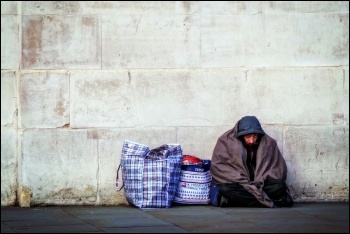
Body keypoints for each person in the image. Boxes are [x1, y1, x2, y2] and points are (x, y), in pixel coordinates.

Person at [210, 116, 293, 208]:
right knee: (225, 189)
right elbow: (219, 167)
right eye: (248, 137)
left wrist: (262, 178)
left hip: (262, 184)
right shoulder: (225, 141)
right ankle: (272, 203)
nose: (251, 141)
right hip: (240, 184)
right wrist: (242, 180)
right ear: (240, 135)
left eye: (255, 136)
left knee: (279, 186)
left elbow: (278, 168)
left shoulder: (269, 143)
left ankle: (238, 202)